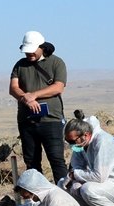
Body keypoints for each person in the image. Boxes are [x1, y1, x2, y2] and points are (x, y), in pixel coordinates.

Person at [9, 31, 69, 184]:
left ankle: (65, 194)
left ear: (42, 47)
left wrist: (34, 95)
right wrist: (26, 98)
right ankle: (37, 197)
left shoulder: (56, 63)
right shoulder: (20, 65)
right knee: (32, 162)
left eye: (32, 50)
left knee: (56, 159)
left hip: (51, 120)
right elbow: (13, 88)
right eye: (26, 51)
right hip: (27, 121)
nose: (29, 54)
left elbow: (58, 87)